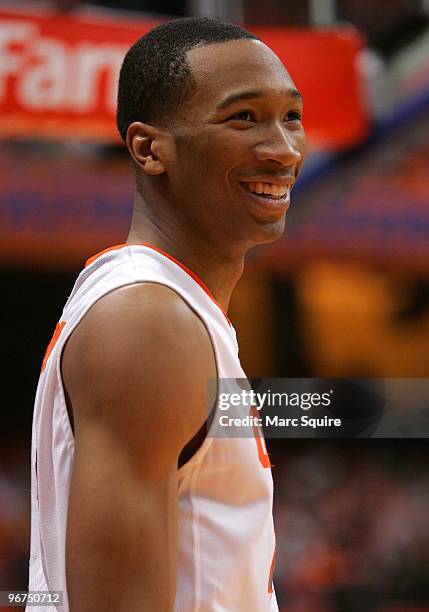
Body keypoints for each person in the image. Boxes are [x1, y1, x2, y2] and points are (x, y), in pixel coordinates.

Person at [27, 17, 306, 612]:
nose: (283, 149)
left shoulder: (170, 308)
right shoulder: (148, 320)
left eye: (291, 116)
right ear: (150, 149)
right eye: (244, 118)